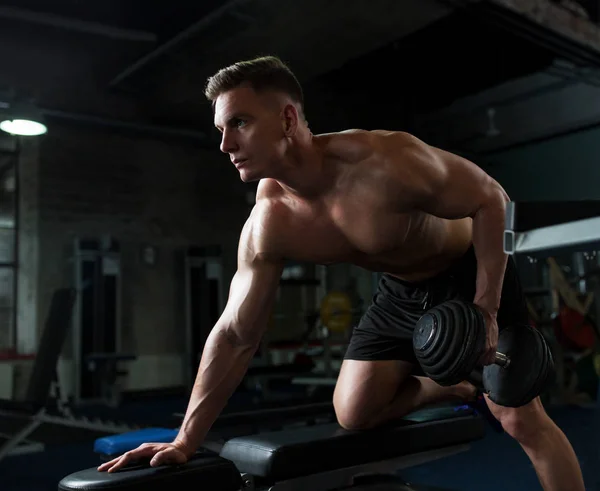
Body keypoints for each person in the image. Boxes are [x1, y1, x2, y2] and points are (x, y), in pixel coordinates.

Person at [98, 56, 584, 491]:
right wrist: (185, 440)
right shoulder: (270, 222)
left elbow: (491, 199)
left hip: (466, 271)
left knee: (520, 418)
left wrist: (486, 308)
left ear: (288, 118)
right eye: (221, 130)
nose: (226, 144)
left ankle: (483, 382)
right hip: (399, 292)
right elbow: (235, 334)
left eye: (240, 123)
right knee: (353, 412)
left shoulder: (385, 161)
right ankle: (456, 381)